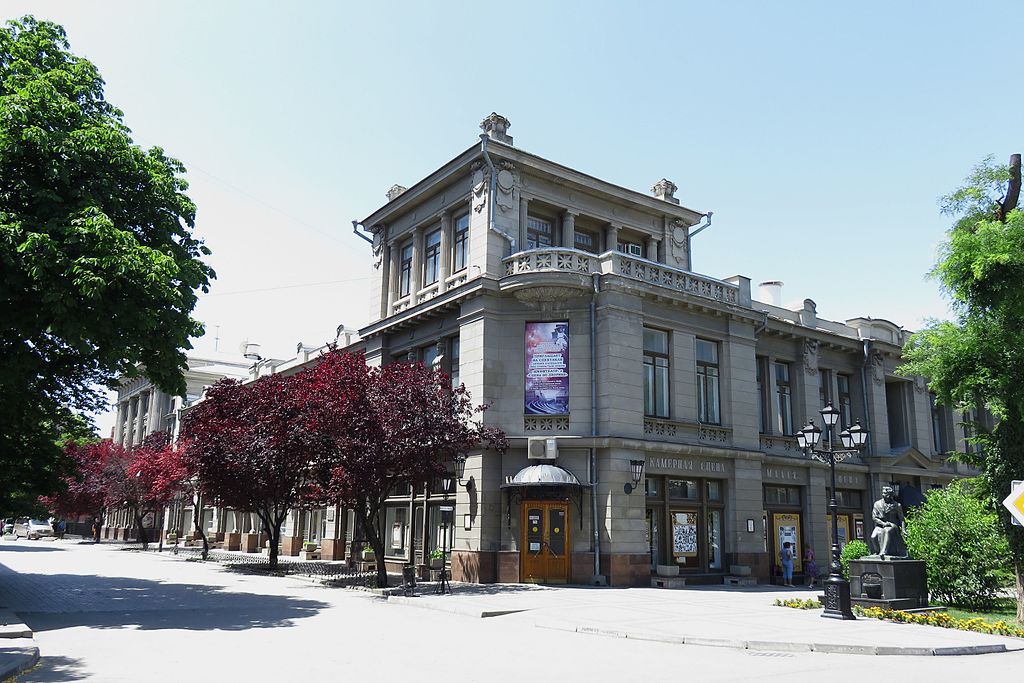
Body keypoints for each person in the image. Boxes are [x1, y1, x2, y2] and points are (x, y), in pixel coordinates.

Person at [869, 485, 907, 558]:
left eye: (886, 494)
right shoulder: (877, 504)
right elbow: (874, 517)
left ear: (890, 495)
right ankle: (877, 551)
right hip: (881, 525)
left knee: (887, 531)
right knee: (873, 536)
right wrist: (883, 523)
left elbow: (901, 519)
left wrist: (903, 529)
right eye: (883, 493)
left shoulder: (897, 505)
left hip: (892, 525)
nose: (883, 495)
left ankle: (884, 551)